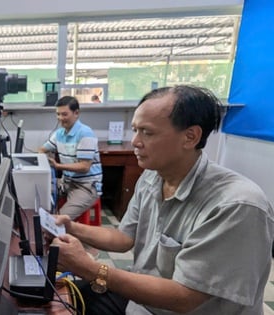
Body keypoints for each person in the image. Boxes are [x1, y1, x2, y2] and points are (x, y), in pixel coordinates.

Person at [51, 85, 274, 314]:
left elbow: (184, 297)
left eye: (147, 133)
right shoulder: (152, 177)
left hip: (173, 307)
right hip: (142, 303)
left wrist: (92, 269)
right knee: (54, 299)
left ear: (190, 136)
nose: (135, 141)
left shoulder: (236, 206)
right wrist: (70, 227)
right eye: (135, 130)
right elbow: (124, 237)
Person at [38, 95, 102, 220]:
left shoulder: (85, 133)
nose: (60, 118)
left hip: (85, 186)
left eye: (64, 114)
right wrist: (43, 157)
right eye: (58, 114)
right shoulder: (59, 134)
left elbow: (84, 167)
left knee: (57, 221)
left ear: (76, 113)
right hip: (66, 182)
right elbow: (42, 149)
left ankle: (54, 236)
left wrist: (57, 166)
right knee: (37, 195)